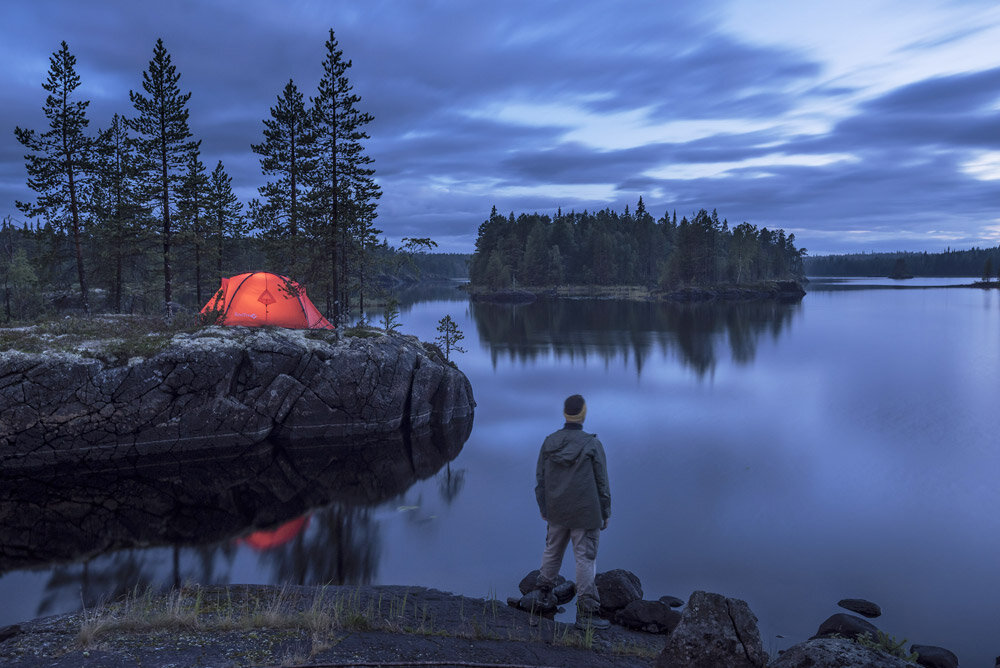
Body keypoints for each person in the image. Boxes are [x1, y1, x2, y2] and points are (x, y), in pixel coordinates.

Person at [534, 394, 612, 630]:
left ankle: (543, 595)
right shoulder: (592, 444)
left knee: (552, 551)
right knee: (585, 559)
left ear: (565, 414)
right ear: (583, 413)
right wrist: (606, 511)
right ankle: (587, 612)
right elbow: (602, 482)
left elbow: (540, 479)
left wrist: (544, 507)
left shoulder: (549, 442)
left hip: (557, 510)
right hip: (585, 512)